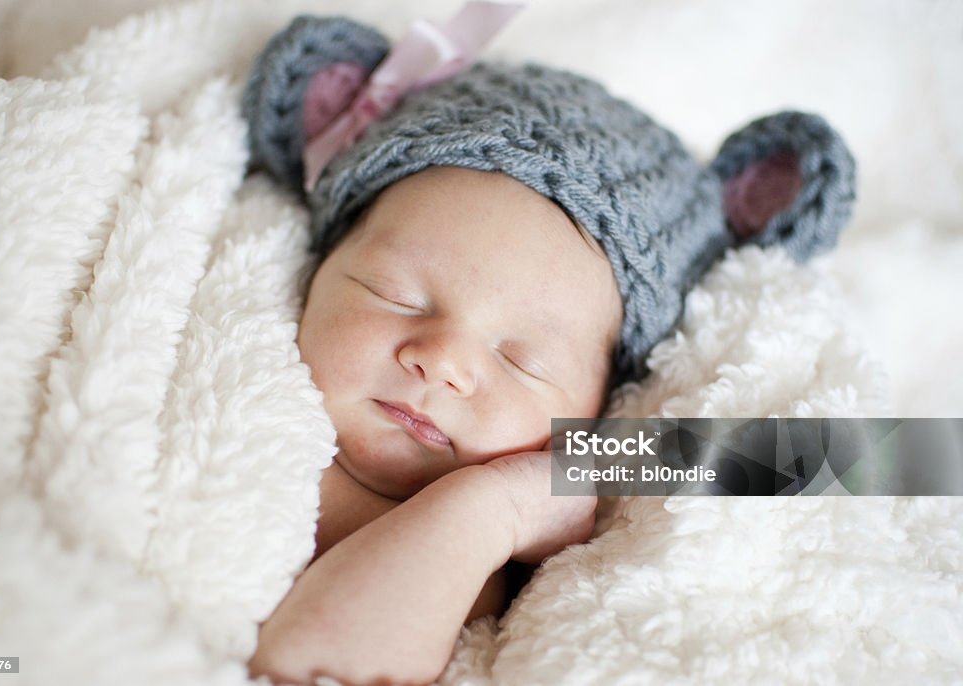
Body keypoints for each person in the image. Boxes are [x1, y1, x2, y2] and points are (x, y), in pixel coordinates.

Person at [239, 10, 855, 684]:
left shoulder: (484, 533)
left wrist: (495, 509)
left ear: (601, 406)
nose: (442, 359)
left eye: (522, 360)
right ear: (321, 264)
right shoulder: (234, 365)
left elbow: (842, 458)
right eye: (393, 295)